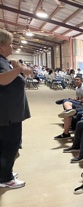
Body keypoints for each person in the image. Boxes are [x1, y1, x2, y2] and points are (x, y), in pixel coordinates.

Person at [0, 29, 32, 189]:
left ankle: (4, 172)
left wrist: (15, 65)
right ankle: (5, 178)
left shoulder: (4, 60)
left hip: (10, 112)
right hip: (7, 113)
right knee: (10, 144)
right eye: (10, 43)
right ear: (1, 46)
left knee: (6, 145)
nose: (12, 47)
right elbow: (2, 79)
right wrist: (18, 69)